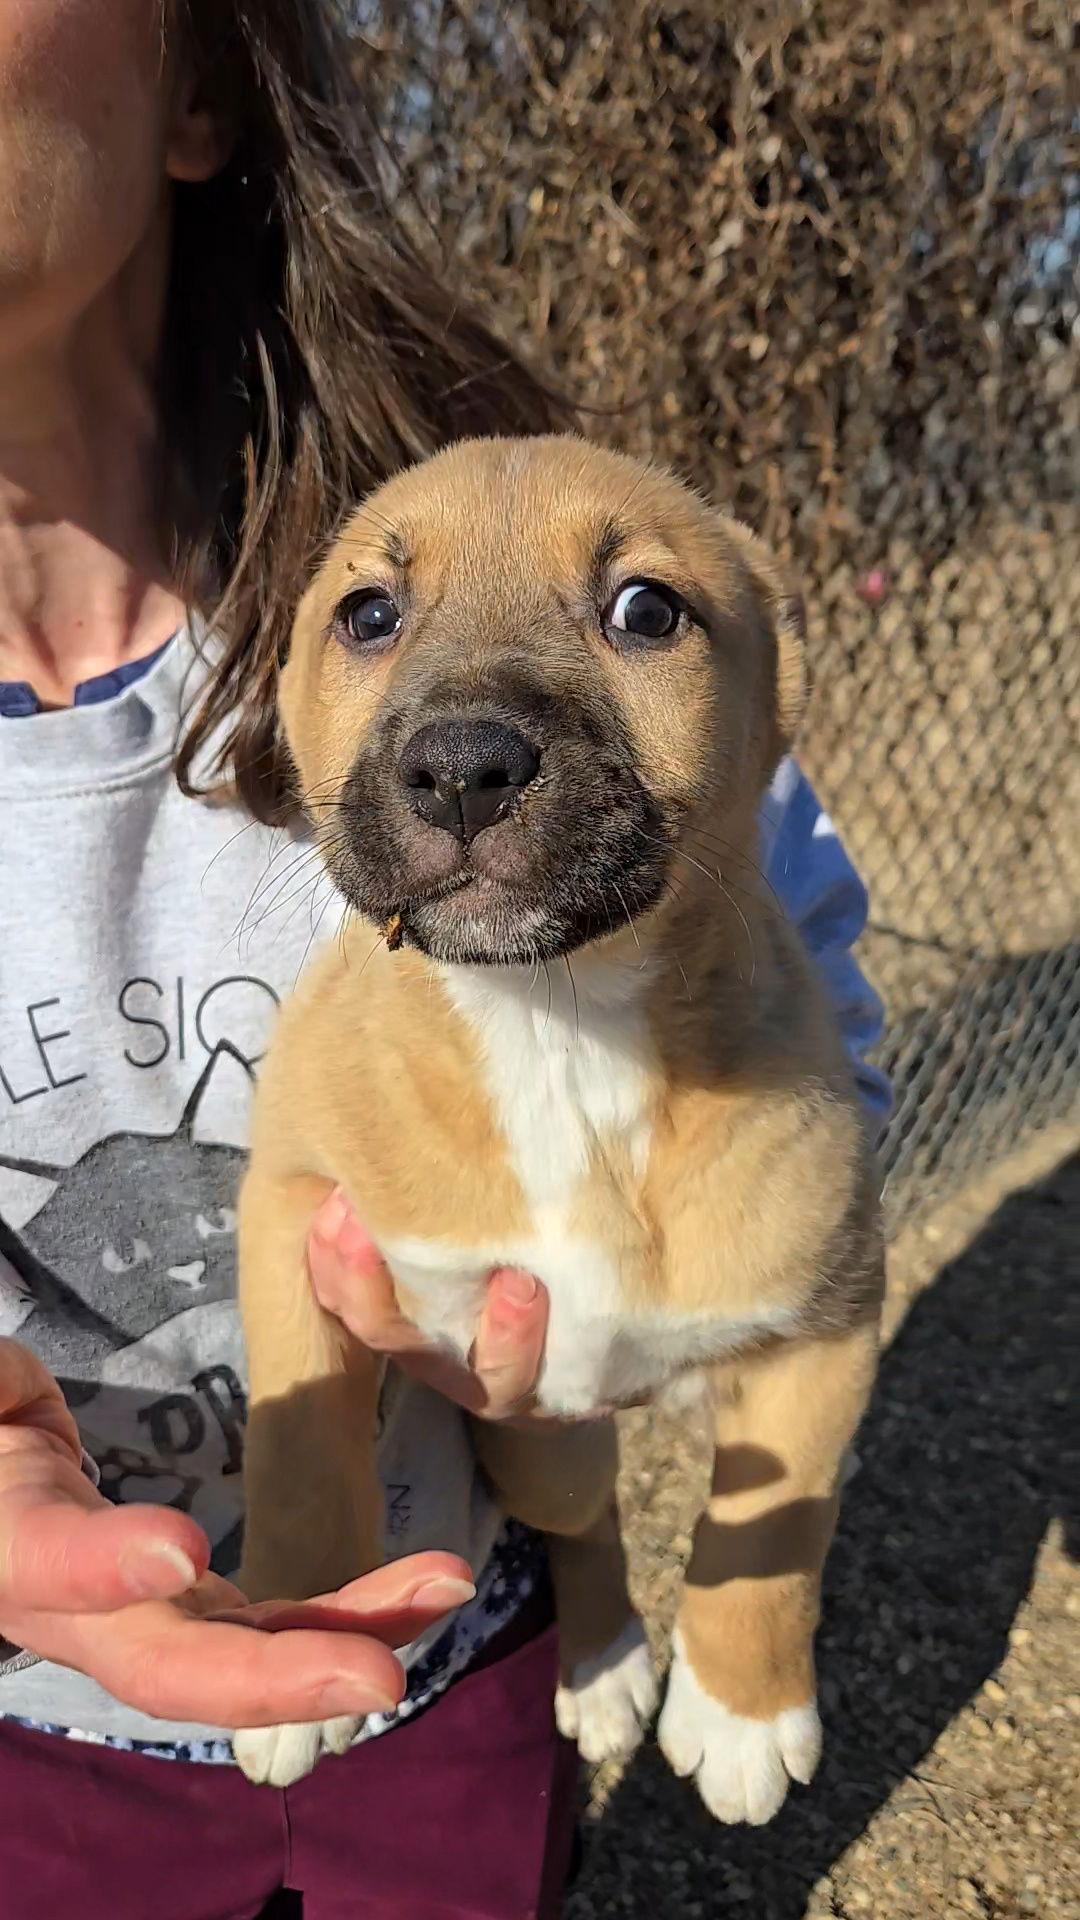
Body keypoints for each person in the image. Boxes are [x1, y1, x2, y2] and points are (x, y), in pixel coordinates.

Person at [0, 4, 890, 1916]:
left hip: (452, 1671)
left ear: (199, 78)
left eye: (640, 613)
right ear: (310, 728)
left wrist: (717, 1536)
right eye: (379, 623)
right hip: (39, 1736)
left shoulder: (461, 484)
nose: (461, 732)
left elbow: (824, 1182)